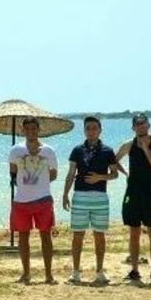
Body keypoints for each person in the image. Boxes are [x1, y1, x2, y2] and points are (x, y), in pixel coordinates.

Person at [61, 116, 118, 285]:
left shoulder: (107, 151)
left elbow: (114, 174)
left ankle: (99, 271)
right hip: (80, 196)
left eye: (94, 128)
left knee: (99, 235)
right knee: (77, 235)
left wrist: (100, 177)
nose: (91, 131)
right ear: (84, 131)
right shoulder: (77, 150)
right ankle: (76, 272)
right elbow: (71, 173)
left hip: (100, 197)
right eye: (88, 128)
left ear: (100, 130)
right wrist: (65, 194)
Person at [115, 114, 151, 284]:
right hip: (134, 193)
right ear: (133, 128)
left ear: (148, 125)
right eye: (138, 124)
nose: (141, 127)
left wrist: (146, 149)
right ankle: (135, 270)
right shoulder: (128, 145)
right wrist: (125, 173)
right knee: (134, 232)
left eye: (144, 124)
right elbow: (112, 161)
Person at [8, 116, 59, 285]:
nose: (31, 132)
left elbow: (53, 174)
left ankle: (48, 275)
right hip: (21, 200)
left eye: (34, 129)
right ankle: (26, 273)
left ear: (39, 130)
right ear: (23, 131)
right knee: (23, 237)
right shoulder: (16, 150)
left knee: (46, 236)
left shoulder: (48, 151)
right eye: (28, 129)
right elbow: (13, 172)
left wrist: (39, 183)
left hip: (43, 199)